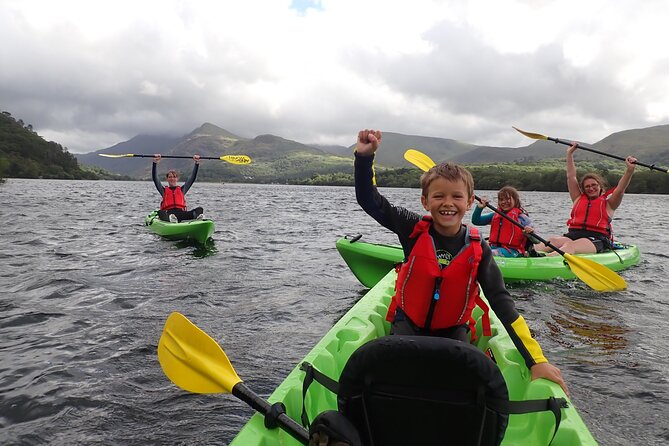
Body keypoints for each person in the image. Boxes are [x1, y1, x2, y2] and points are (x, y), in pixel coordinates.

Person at [354, 129, 567, 394]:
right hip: (408, 325)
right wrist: (364, 158)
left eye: (456, 197)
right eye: (439, 196)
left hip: (453, 331)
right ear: (425, 201)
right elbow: (370, 200)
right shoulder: (412, 228)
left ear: (468, 203)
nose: (448, 203)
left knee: (455, 391)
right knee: (402, 385)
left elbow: (502, 303)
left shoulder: (480, 250)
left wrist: (536, 360)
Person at [535, 142, 637, 255]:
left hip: (596, 238)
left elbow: (620, 189)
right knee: (552, 241)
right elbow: (571, 177)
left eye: (594, 185)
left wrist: (629, 170)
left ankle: (543, 261)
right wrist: (569, 154)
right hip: (573, 235)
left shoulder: (610, 204)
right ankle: (525, 254)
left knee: (570, 247)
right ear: (583, 189)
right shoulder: (578, 198)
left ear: (600, 187)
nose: (591, 188)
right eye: (587, 186)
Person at [471, 186, 535, 257]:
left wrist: (530, 233)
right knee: (474, 250)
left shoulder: (522, 218)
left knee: (488, 253)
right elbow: (476, 221)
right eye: (501, 199)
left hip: (513, 251)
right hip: (494, 248)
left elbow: (536, 241)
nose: (504, 202)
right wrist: (479, 208)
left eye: (508, 199)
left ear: (515, 200)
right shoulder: (495, 215)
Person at [152, 154, 204, 222]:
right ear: (167, 179)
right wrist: (155, 163)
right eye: (170, 177)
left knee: (199, 209)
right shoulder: (164, 191)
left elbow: (192, 178)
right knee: (160, 212)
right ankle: (171, 220)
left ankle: (196, 218)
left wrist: (196, 163)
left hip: (182, 214)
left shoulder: (182, 190)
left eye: (174, 177)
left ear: (177, 178)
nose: (172, 179)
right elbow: (155, 179)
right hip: (169, 213)